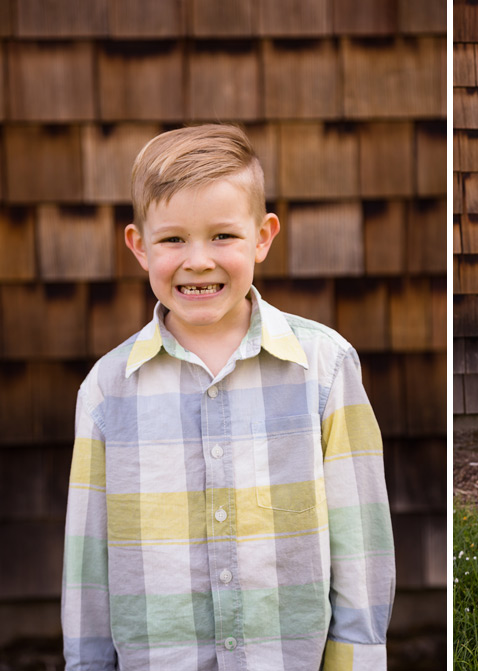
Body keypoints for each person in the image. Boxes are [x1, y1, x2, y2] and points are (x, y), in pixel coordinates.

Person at [62, 124, 395, 670]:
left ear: (262, 237)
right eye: (173, 239)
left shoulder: (325, 368)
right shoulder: (107, 389)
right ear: (139, 246)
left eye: (223, 236)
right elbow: (88, 563)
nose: (198, 260)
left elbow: (362, 541)